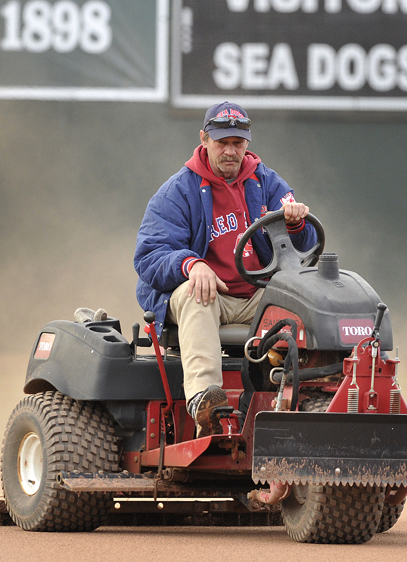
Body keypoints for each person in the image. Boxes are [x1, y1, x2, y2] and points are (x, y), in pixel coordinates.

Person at [134, 101, 317, 437]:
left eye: (238, 143)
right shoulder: (177, 191)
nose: (230, 151)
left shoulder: (266, 182)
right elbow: (148, 256)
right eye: (222, 142)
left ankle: (302, 401)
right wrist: (191, 264)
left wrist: (296, 225)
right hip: (207, 296)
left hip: (253, 295)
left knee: (303, 302)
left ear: (247, 143)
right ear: (204, 139)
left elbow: (306, 246)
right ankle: (206, 400)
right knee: (197, 292)